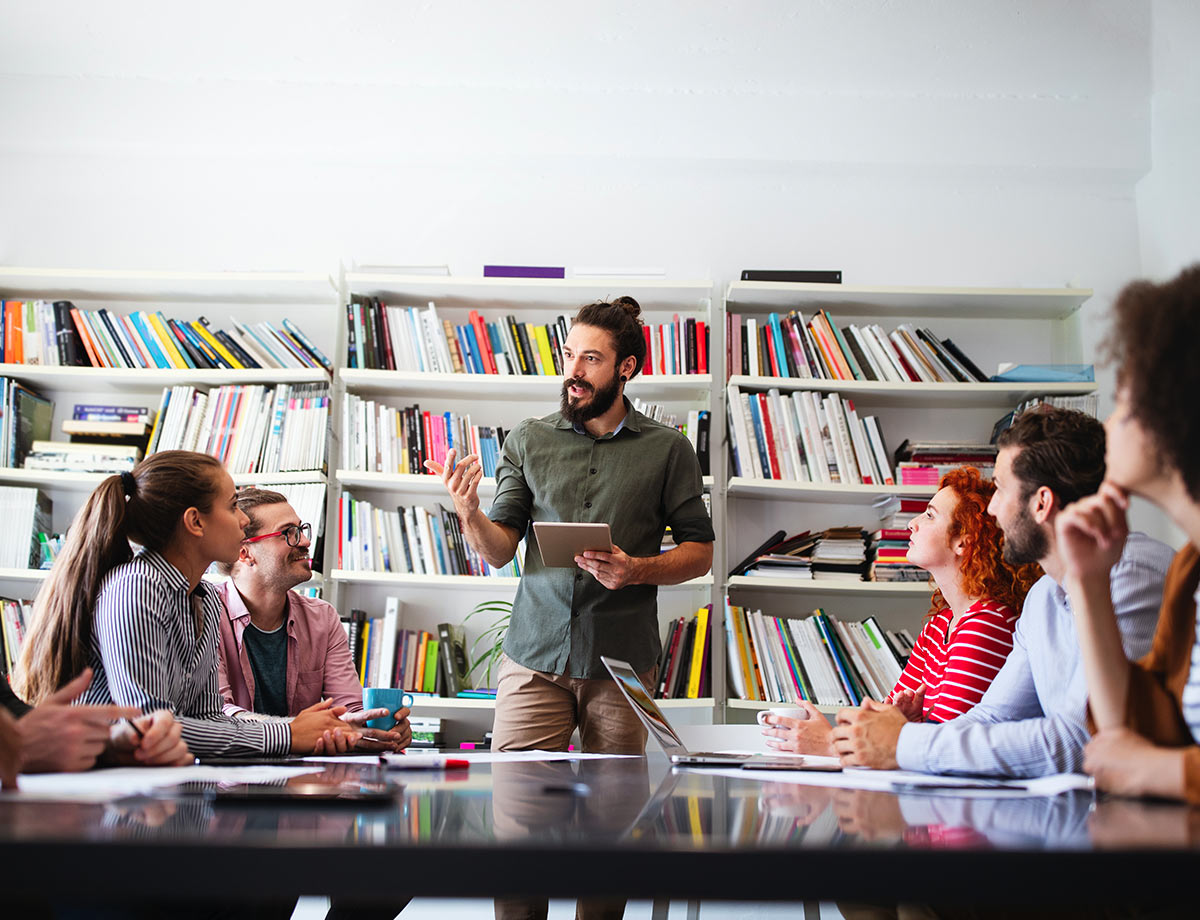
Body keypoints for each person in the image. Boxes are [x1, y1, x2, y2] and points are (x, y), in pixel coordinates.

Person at [428, 296, 714, 920]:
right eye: (569, 356)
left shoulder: (669, 450)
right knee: (518, 829)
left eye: (592, 358)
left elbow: (701, 552)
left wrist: (636, 568)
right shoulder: (527, 439)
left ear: (627, 368)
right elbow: (500, 548)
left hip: (620, 665)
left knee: (610, 837)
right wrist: (469, 513)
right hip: (535, 655)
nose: (574, 371)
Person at [829, 407, 1172, 774]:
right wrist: (893, 739)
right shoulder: (1043, 597)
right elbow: (995, 715)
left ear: (1041, 503)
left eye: (1002, 489)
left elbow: (1078, 742)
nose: (990, 510)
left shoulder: (1130, 575)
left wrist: (903, 743)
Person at [15, 450, 358, 758]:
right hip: (94, 789)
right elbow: (152, 724)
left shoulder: (206, 599)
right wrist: (287, 734)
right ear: (195, 521)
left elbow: (207, 717)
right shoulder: (137, 588)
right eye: (232, 505)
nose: (242, 520)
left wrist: (295, 732)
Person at [761, 467, 1042, 755]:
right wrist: (901, 725)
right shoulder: (941, 624)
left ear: (963, 542)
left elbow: (945, 746)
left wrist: (830, 742)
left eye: (930, 515)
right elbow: (882, 721)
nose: (912, 524)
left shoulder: (988, 622)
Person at [1059, 264, 1200, 802]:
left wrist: (1161, 772)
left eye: (1121, 403)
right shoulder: (1189, 569)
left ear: (1174, 407)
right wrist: (1090, 580)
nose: (1109, 425)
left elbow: (1137, 760)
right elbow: (1130, 730)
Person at [215, 487, 412, 752]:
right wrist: (295, 732)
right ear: (245, 552)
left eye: (302, 529)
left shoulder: (322, 617)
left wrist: (377, 728)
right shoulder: (205, 613)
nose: (306, 542)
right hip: (225, 782)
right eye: (289, 533)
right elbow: (217, 715)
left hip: (307, 780)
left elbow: (349, 710)